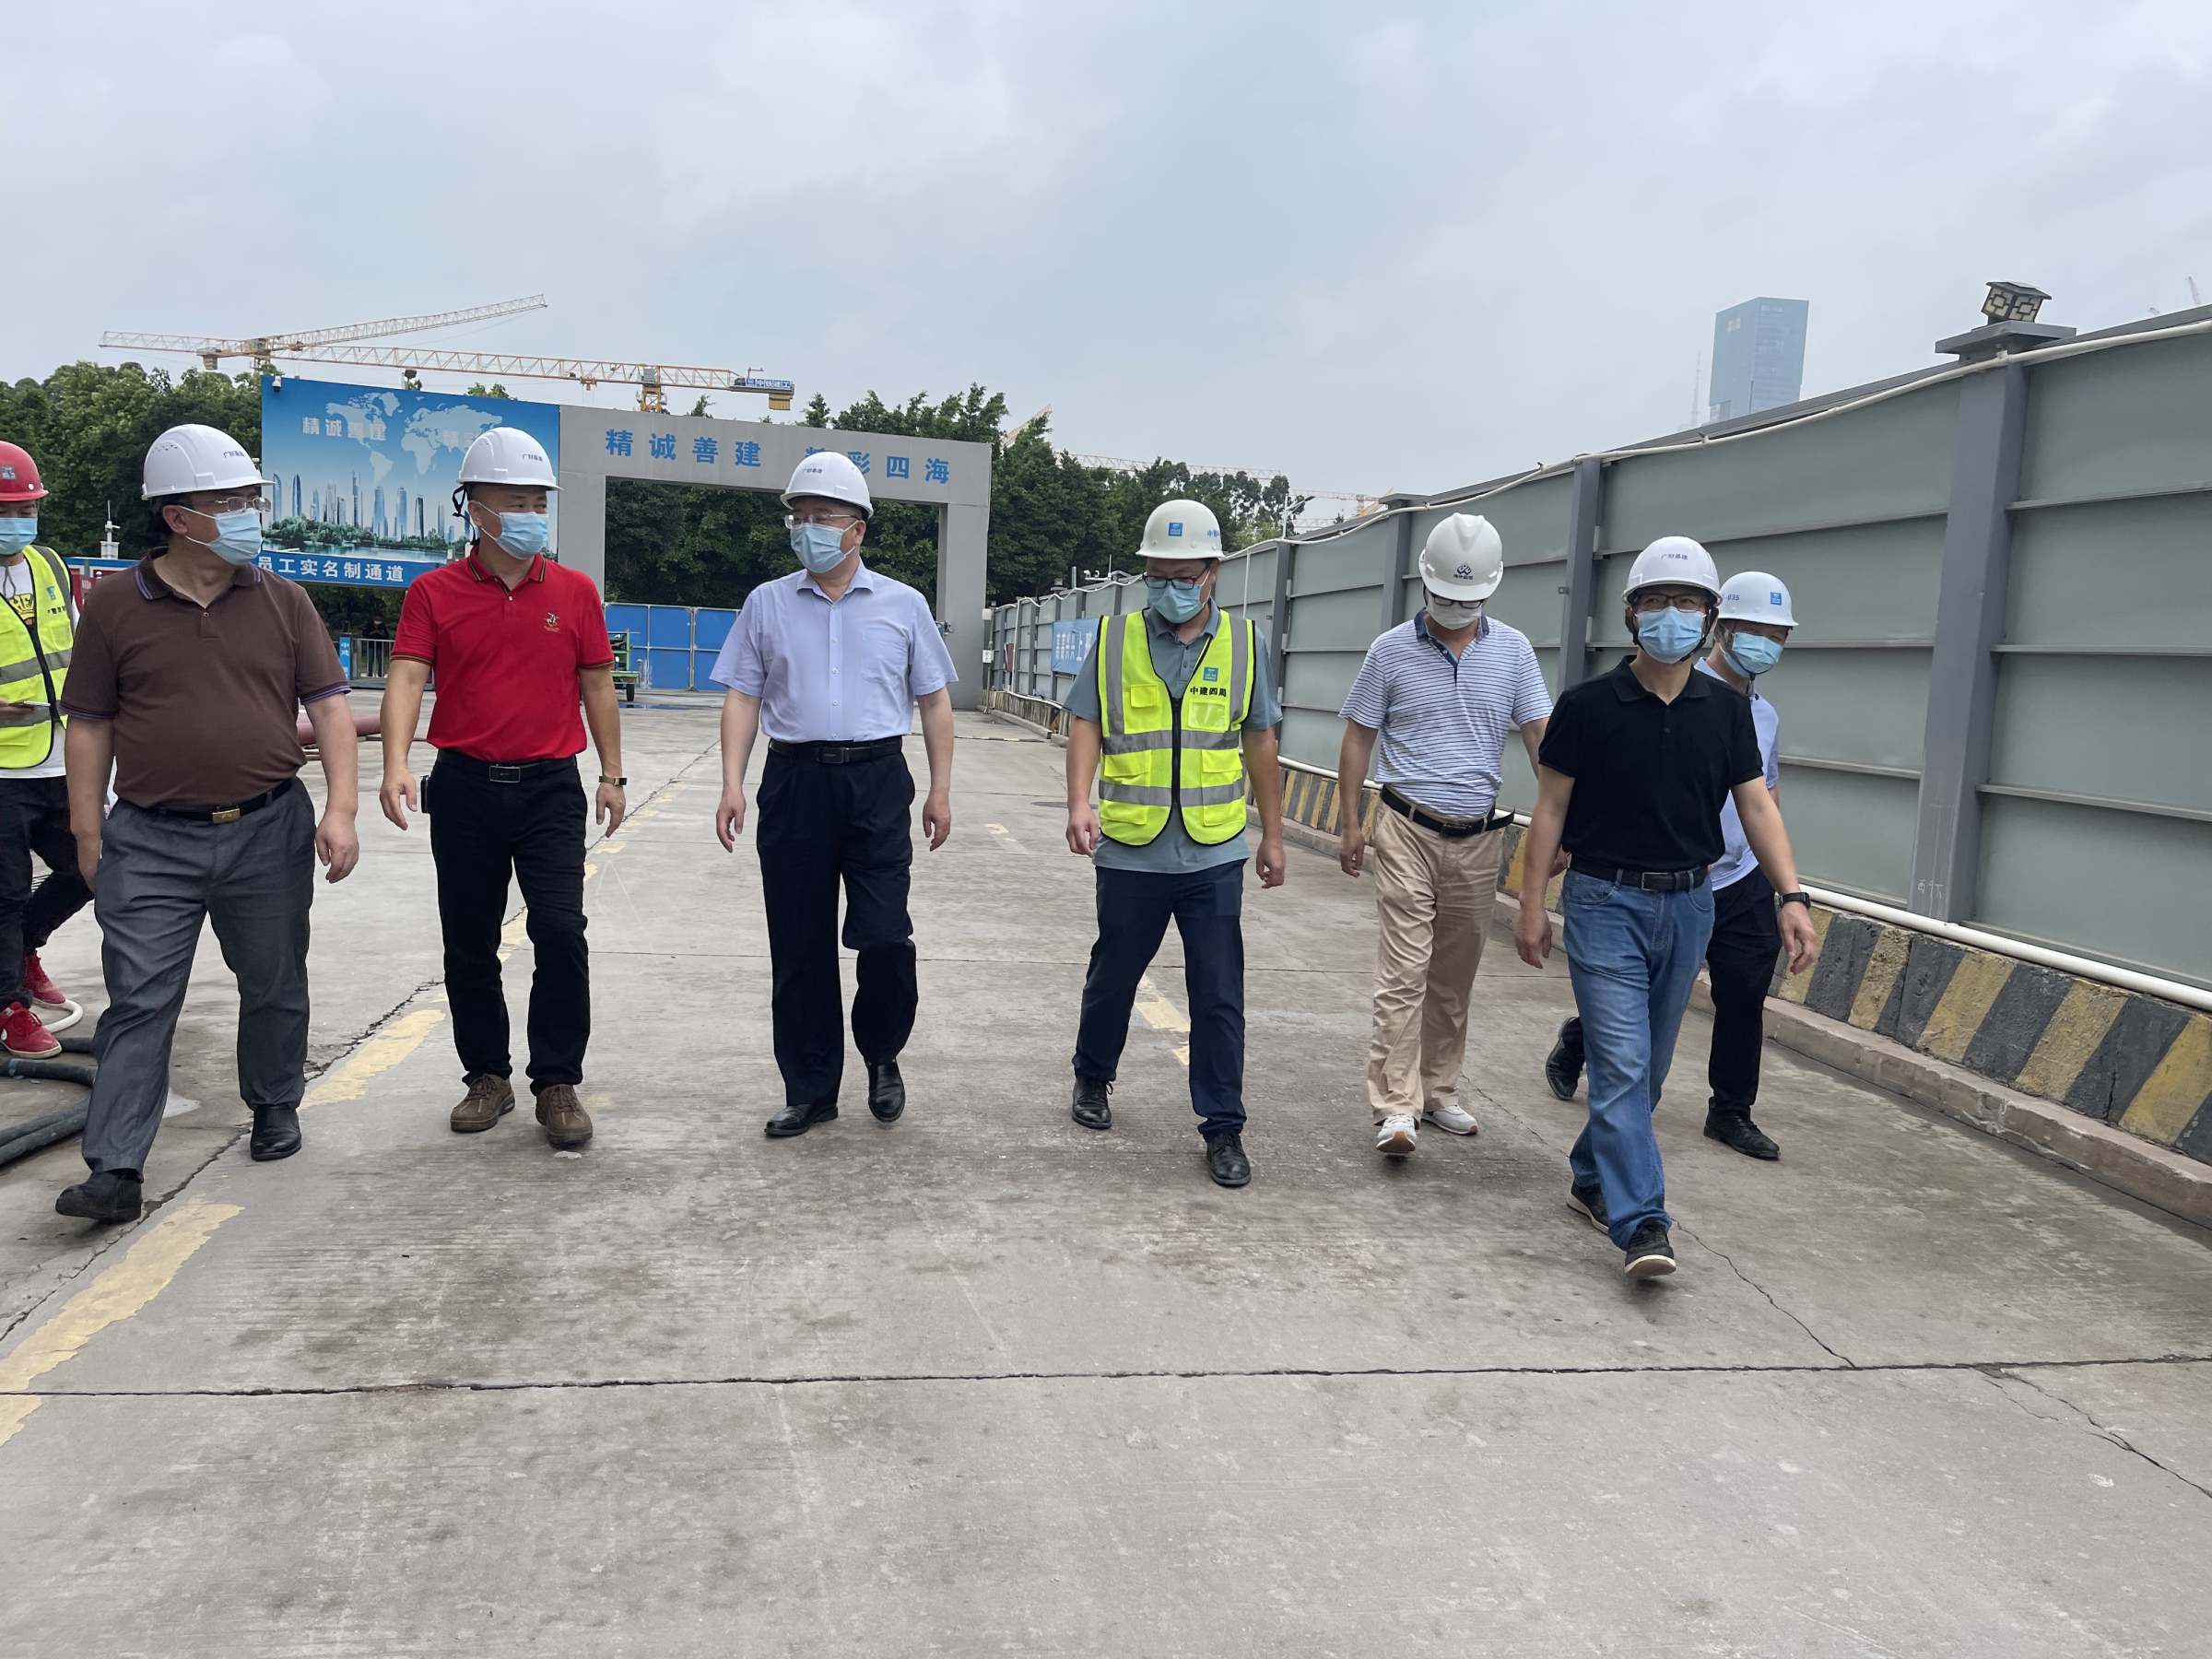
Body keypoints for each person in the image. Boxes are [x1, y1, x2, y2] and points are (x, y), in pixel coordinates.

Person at [53, 424, 359, 1225]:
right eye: (230, 501)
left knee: (274, 980)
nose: (248, 514)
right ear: (178, 517)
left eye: (251, 499)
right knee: (140, 999)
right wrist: (88, 831)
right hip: (150, 838)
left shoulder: (284, 600)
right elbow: (89, 723)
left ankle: (274, 1103)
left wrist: (341, 809)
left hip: (268, 828)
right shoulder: (115, 605)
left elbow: (330, 707)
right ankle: (116, 1167)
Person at [1513, 536, 1816, 1279]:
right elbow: (1550, 810)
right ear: (1631, 614)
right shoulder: (1585, 706)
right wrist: (1530, 903)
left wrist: (1792, 894)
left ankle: (1591, 1177)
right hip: (1603, 900)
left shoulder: (1728, 713)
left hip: (1689, 905)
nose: (1671, 615)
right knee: (1621, 1064)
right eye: (1656, 601)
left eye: (1686, 602)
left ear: (1709, 618)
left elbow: (1757, 807)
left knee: (1644, 1075)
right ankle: (1643, 1220)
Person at [378, 428, 623, 1150]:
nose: (530, 515)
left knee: (561, 931)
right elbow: (407, 677)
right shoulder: (433, 593)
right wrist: (395, 763)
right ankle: (487, 1076)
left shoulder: (575, 592)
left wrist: (612, 774)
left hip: (551, 789)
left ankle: (557, 1081)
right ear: (475, 510)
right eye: (515, 502)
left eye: (539, 502)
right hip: (465, 787)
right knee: (469, 942)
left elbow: (598, 685)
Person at [712, 452, 956, 1137]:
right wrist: (732, 782)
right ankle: (811, 1088)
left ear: (858, 530)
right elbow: (743, 696)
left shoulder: (904, 605)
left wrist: (940, 791)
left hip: (877, 781)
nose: (808, 528)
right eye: (799, 517)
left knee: (884, 936)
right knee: (799, 945)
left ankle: (882, 1053)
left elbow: (935, 703)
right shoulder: (766, 603)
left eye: (822, 517)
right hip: (794, 782)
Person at [1063, 500, 1287, 1189]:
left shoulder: (1245, 644)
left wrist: (1274, 835)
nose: (1168, 589)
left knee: (1218, 993)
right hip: (1132, 846)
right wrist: (1079, 802)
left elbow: (1260, 738)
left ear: (1213, 572)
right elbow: (1085, 722)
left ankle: (1223, 1126)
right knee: (1114, 975)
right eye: (1156, 576)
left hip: (1214, 851)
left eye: (1182, 577)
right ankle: (1092, 1076)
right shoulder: (1115, 637)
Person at [1542, 572, 1799, 1162]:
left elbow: (1764, 798)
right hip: (1650, 879)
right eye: (1753, 630)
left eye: (1776, 636)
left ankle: (1731, 1109)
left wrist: (1787, 887)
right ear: (1720, 627)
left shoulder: (1759, 715)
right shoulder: (1657, 693)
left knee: (1743, 994)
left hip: (1736, 877)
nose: (1764, 644)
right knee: (1637, 1016)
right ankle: (1581, 1043)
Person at [1336, 513, 1550, 1158]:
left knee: (1455, 974)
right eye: (1446, 596)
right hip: (1407, 825)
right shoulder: (1388, 651)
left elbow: (1541, 738)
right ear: (1424, 582)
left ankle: (1438, 1090)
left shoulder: (1514, 651)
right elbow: (1358, 737)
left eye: (1469, 598)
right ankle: (1396, 1105)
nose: (1456, 608)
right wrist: (1350, 823)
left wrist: (1562, 822)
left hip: (1480, 837)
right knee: (1405, 971)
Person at [0, 441, 92, 1057]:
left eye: (25, 510)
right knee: (4, 893)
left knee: (89, 867)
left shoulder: (51, 567)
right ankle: (9, 1007)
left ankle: (25, 947)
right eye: (5, 511)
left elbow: (82, 650)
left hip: (62, 756)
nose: (16, 523)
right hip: (2, 767)